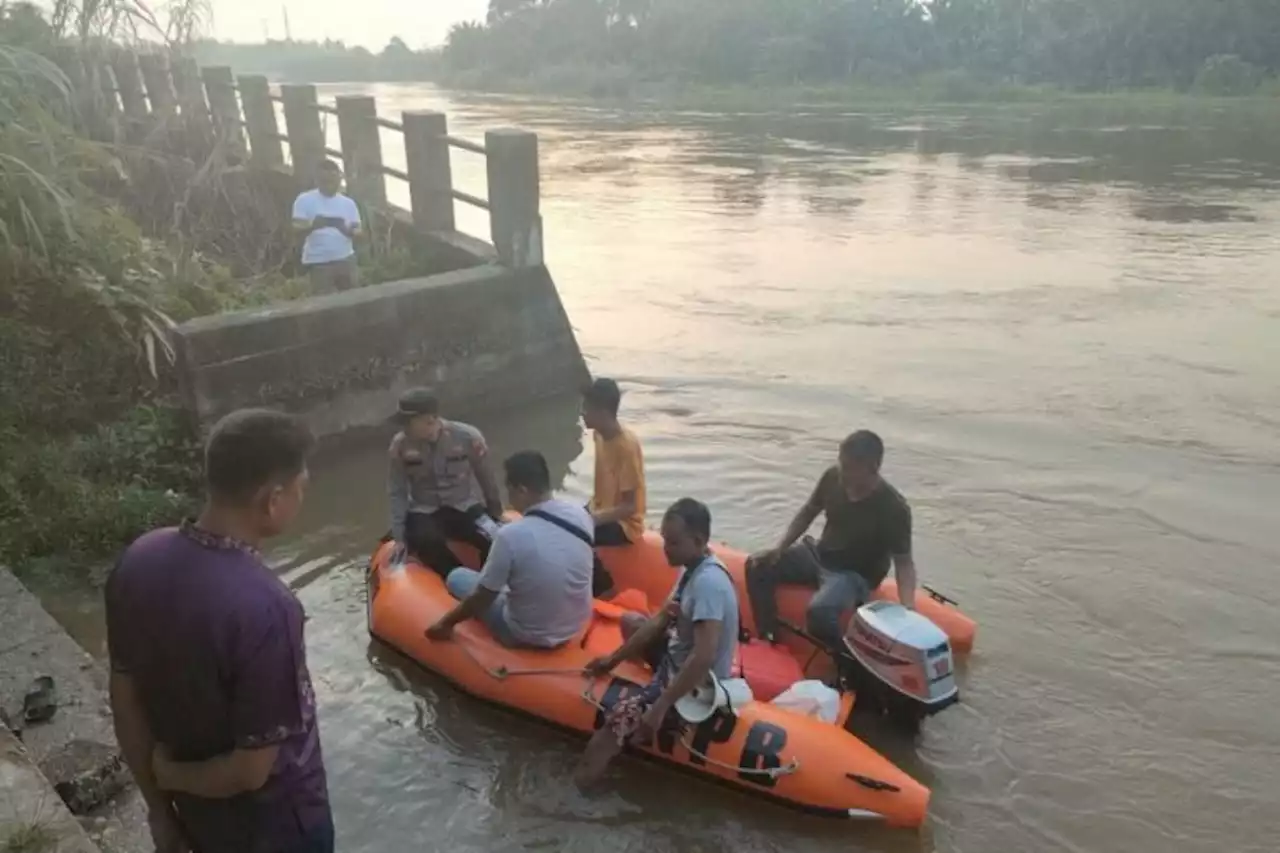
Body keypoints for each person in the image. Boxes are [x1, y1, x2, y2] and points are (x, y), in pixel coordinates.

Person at [105, 409, 332, 853]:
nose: (302, 499)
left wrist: (158, 806)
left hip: (197, 819)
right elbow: (251, 770)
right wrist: (172, 776)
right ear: (272, 498)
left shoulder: (139, 559)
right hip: (278, 827)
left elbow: (125, 698)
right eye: (302, 488)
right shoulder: (267, 607)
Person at [575, 498, 739, 787]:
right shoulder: (693, 567)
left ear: (698, 540)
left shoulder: (707, 584)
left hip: (697, 685)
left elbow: (703, 656)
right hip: (675, 658)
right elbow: (659, 621)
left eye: (673, 543)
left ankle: (577, 796)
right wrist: (611, 660)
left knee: (606, 736)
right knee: (631, 622)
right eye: (664, 540)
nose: (665, 548)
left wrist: (661, 706)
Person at [745, 430, 917, 655]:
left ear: (872, 466)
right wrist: (780, 548)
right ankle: (769, 639)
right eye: (841, 463)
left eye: (849, 468)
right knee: (756, 565)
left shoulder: (894, 508)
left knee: (820, 611)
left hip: (853, 574)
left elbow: (903, 563)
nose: (842, 472)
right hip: (819, 554)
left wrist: (907, 608)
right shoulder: (832, 478)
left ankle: (846, 663)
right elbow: (808, 512)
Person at [427, 451, 594, 648]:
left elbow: (483, 597)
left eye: (509, 490)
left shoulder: (510, 535)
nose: (509, 497)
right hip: (573, 626)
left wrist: (445, 624)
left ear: (521, 490)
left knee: (457, 577)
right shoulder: (581, 516)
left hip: (525, 633)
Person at [388, 387, 505, 577]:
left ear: (430, 420)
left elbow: (487, 478)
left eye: (408, 422)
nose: (404, 428)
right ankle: (457, 581)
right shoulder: (400, 445)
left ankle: (490, 584)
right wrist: (399, 536)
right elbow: (397, 491)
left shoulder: (468, 437)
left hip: (463, 505)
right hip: (424, 510)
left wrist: (496, 513)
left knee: (496, 541)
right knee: (425, 541)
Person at [581, 377, 647, 598]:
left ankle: (605, 588)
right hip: (600, 507)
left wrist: (594, 519)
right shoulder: (599, 434)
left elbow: (629, 507)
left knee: (579, 533)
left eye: (586, 408)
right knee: (562, 523)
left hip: (625, 523)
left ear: (602, 412)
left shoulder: (626, 446)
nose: (582, 413)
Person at [291, 159, 362, 294]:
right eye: (325, 181)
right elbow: (295, 228)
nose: (330, 185)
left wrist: (345, 230)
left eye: (334, 181)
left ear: (340, 179)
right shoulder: (304, 200)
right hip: (318, 262)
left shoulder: (348, 203)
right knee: (324, 303)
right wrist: (313, 226)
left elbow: (359, 231)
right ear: (317, 180)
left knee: (353, 301)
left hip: (346, 259)